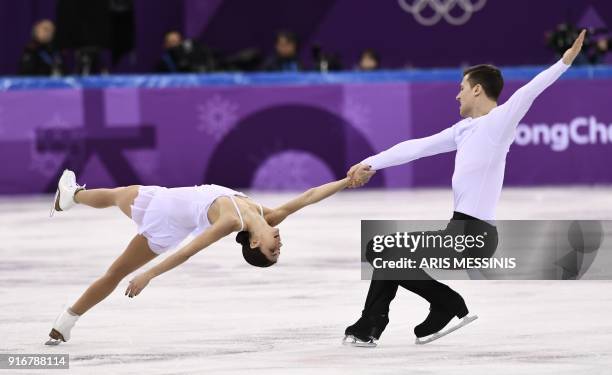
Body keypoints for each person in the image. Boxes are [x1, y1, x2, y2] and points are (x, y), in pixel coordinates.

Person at [343, 30, 587, 346]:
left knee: (384, 249)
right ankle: (371, 324)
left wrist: (564, 62)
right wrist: (370, 162)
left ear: (476, 90)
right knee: (385, 250)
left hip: (475, 237)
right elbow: (416, 147)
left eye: (461, 89)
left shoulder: (498, 123)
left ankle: (445, 303)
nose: (457, 96)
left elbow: (528, 92)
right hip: (458, 232)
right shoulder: (463, 130)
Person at [45, 169, 370, 345]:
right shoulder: (267, 215)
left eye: (273, 250)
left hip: (159, 212)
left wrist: (149, 275)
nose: (279, 245)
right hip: (166, 210)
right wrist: (347, 181)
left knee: (118, 230)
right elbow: (310, 197)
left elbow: (189, 250)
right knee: (117, 198)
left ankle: (72, 197)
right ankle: (66, 320)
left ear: (255, 243)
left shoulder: (232, 221)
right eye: (278, 250)